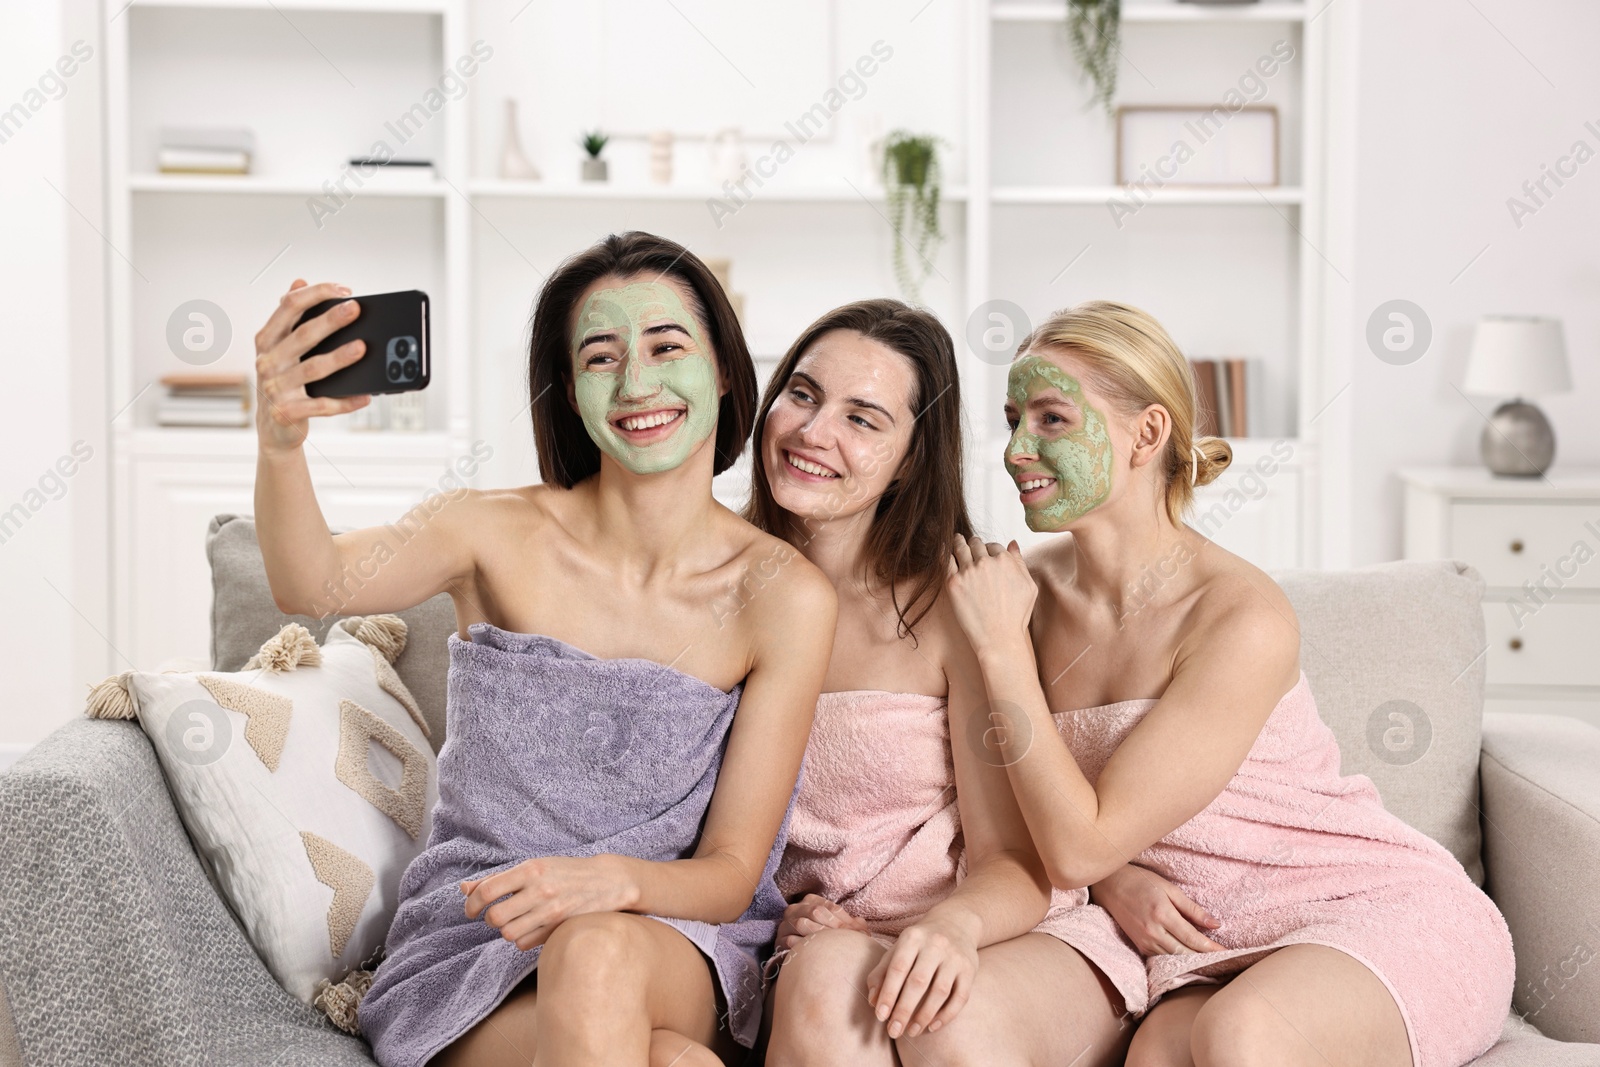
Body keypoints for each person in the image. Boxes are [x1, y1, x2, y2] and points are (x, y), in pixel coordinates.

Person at [249, 231, 835, 1067]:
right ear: (570, 390)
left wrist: (606, 881)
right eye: (602, 358)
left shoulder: (785, 597)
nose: (639, 382)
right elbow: (310, 584)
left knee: (594, 948)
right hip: (476, 938)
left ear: (725, 370)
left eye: (668, 346)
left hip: (671, 935)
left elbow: (733, 868)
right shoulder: (487, 530)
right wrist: (280, 442)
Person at [946, 300, 1515, 1067]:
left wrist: (1003, 652)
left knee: (1241, 1035)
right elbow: (1029, 813)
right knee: (1156, 1056)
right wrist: (1116, 880)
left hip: (1368, 909)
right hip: (1204, 945)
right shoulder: (1020, 593)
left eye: (1051, 419)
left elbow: (1078, 844)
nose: (1016, 449)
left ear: (1147, 434)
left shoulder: (1239, 617)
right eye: (1014, 418)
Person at [749, 300, 1145, 1067]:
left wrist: (952, 925)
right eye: (802, 394)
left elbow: (1018, 862)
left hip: (997, 929)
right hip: (833, 944)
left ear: (910, 458)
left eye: (863, 419)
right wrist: (781, 915)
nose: (813, 432)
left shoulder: (952, 605)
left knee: (940, 1019)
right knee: (826, 978)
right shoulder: (717, 593)